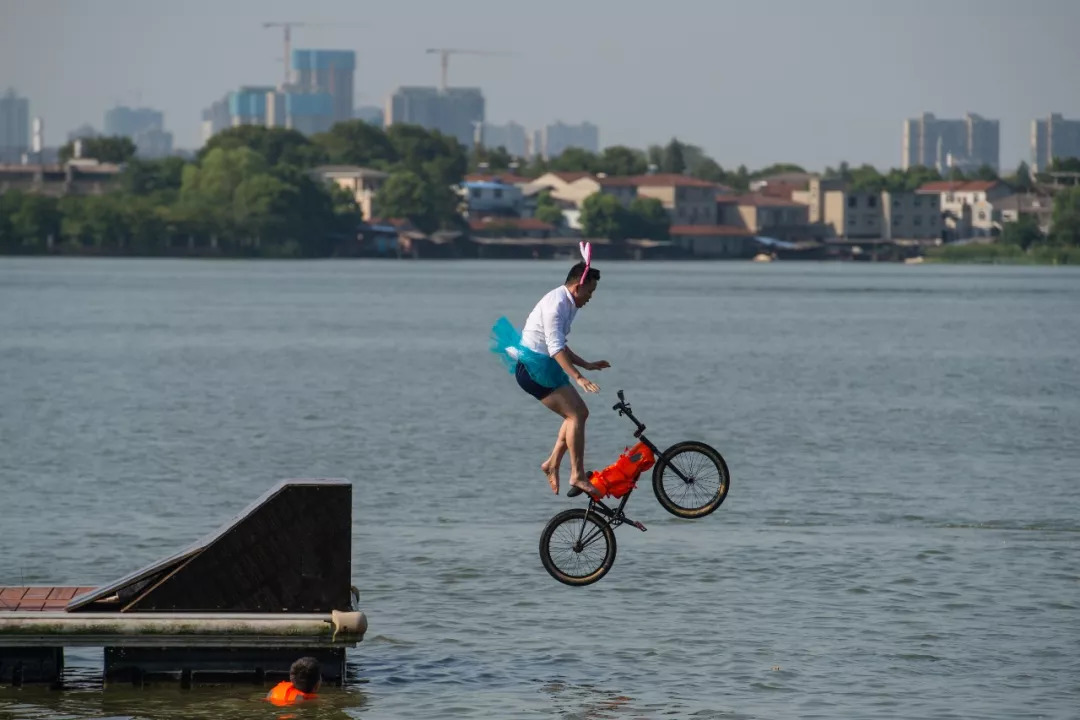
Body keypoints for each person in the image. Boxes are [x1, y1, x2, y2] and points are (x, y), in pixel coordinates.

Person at [490, 243, 610, 498]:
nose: (591, 297)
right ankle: (576, 475)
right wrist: (578, 377)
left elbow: (560, 346)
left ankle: (552, 463)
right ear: (578, 286)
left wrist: (585, 364)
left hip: (542, 365)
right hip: (535, 369)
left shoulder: (568, 303)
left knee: (577, 414)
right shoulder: (557, 305)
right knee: (576, 415)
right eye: (590, 290)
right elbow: (555, 349)